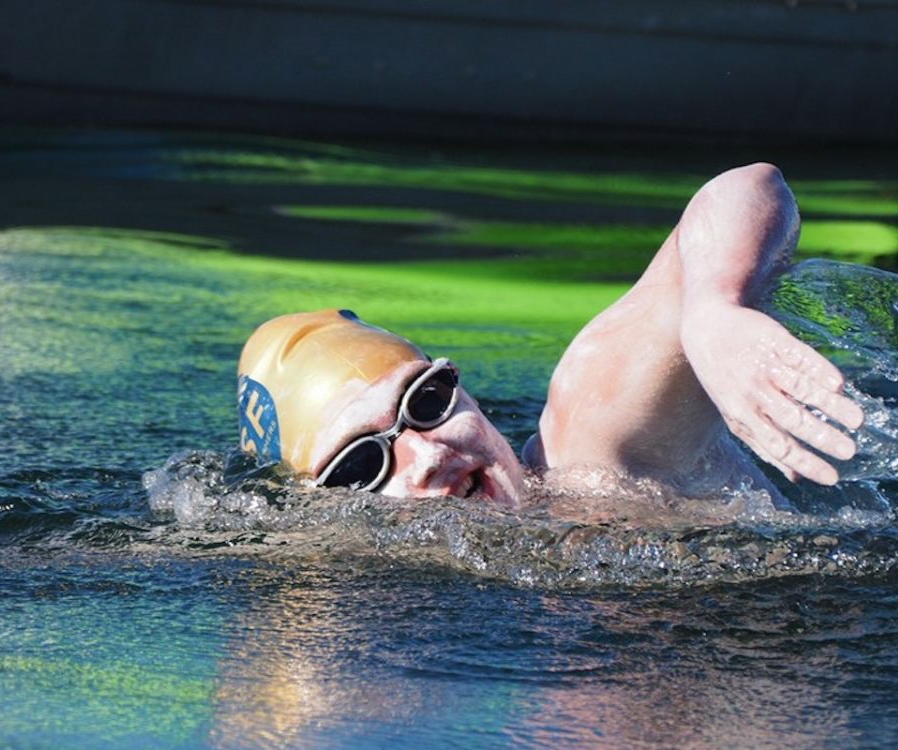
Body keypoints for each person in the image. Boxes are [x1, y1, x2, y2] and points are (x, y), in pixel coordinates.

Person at [237, 163, 865, 507]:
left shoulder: (597, 446)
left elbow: (746, 186)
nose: (428, 455)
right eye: (361, 464)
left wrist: (712, 309)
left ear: (466, 391)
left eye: (425, 402)